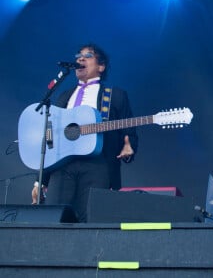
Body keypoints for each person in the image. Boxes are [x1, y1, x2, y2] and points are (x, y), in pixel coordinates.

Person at [32, 43, 138, 222]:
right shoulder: (64, 96)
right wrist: (40, 180)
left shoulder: (115, 95)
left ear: (101, 66)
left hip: (98, 165)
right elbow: (51, 136)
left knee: (90, 220)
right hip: (62, 165)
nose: (80, 59)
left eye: (88, 56)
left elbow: (128, 128)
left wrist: (129, 145)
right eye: (78, 56)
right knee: (54, 218)